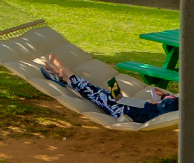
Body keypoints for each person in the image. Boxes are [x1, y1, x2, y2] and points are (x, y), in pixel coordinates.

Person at [40, 54, 178, 125]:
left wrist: (156, 103)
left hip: (124, 112)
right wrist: (162, 96)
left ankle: (66, 73)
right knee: (100, 92)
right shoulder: (171, 105)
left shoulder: (162, 112)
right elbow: (168, 104)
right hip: (127, 104)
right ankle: (65, 76)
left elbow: (164, 108)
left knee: (94, 93)